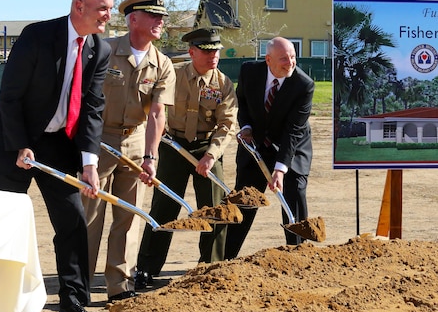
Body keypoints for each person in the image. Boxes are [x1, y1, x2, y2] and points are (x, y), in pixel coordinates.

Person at [0, 0, 113, 312]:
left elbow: (92, 108)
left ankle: (73, 304)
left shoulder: (99, 50)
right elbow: (9, 97)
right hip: (10, 140)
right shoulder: (37, 37)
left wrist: (89, 164)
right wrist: (19, 145)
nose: (109, 15)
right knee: (5, 224)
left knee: (73, 220)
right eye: (103, 8)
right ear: (79, 6)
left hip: (57, 144)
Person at [82, 0, 175, 303]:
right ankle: (79, 288)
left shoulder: (162, 64)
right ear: (133, 18)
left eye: (162, 16)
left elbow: (158, 113)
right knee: (89, 217)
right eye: (153, 15)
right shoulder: (103, 49)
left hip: (135, 143)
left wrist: (151, 156)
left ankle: (119, 288)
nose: (160, 21)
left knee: (129, 218)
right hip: (99, 140)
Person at [135, 27, 237, 288]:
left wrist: (212, 155)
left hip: (206, 147)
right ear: (192, 52)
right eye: (206, 51)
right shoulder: (173, 74)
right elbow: (152, 107)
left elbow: (226, 124)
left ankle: (211, 266)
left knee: (215, 209)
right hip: (174, 145)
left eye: (216, 50)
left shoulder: (223, 84)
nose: (213, 56)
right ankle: (146, 268)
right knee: (164, 207)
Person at [224, 37, 314, 259]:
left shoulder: (304, 85)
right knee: (245, 199)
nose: (290, 63)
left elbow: (293, 130)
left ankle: (298, 255)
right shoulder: (249, 71)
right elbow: (242, 102)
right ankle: (224, 257)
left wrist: (280, 169)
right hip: (255, 144)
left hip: (291, 146)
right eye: (284, 59)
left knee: (294, 193)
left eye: (293, 57)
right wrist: (245, 127)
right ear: (268, 60)